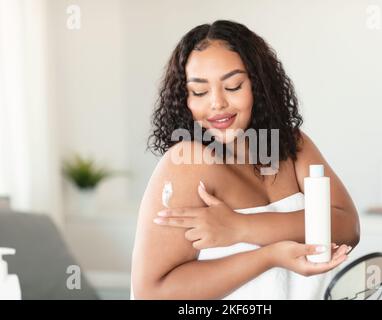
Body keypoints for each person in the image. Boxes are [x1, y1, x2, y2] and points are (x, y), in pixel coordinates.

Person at [131, 20, 360, 300]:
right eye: (199, 91)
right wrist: (269, 256)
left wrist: (240, 227)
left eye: (233, 86)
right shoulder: (188, 163)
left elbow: (348, 226)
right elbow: (152, 294)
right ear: (184, 98)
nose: (217, 103)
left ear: (258, 86)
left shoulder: (292, 145)